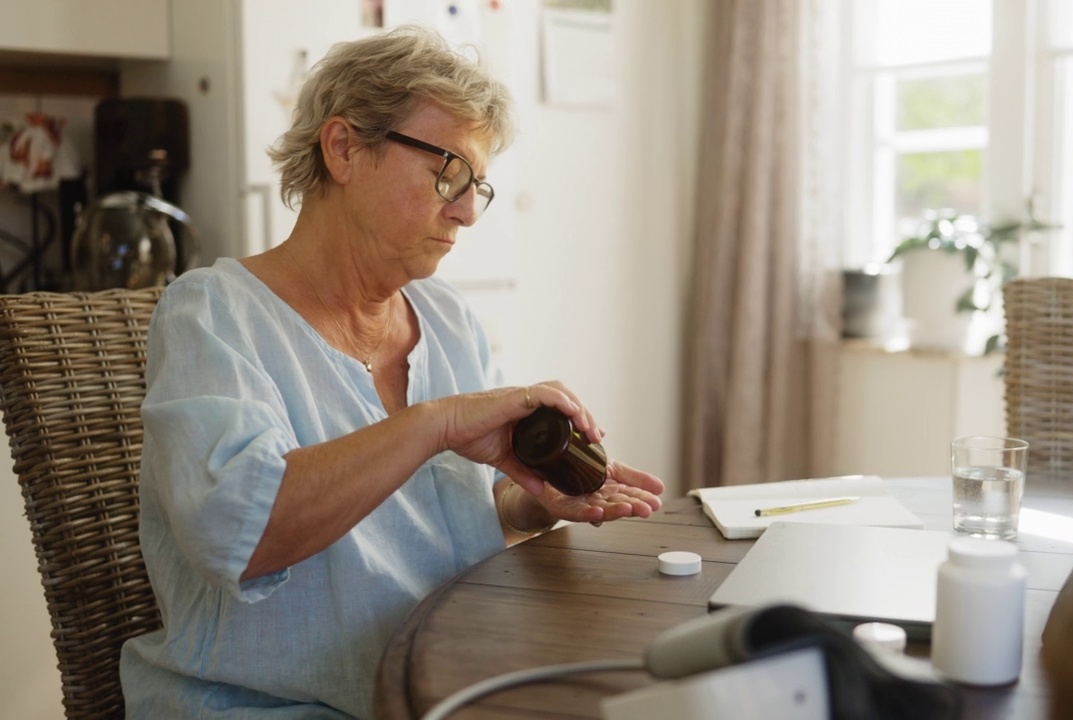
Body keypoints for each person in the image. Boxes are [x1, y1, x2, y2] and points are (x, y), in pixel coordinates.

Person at [120, 25, 665, 719]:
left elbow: (452, 517)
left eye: (478, 187)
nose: (466, 211)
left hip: (433, 691)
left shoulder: (447, 320)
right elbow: (240, 531)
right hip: (262, 706)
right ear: (344, 148)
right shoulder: (212, 314)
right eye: (448, 172)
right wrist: (435, 424)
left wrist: (531, 505)